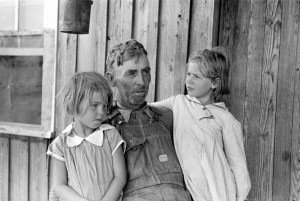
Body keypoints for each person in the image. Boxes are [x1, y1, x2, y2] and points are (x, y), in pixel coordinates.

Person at [150, 47, 251, 201]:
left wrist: (241, 196)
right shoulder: (178, 102)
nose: (189, 80)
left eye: (197, 76)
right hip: (188, 187)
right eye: (188, 74)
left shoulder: (226, 119)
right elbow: (147, 108)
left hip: (219, 189)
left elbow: (238, 166)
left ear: (214, 83)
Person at [105, 39, 192, 201]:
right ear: (111, 80)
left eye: (146, 71)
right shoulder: (105, 127)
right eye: (131, 73)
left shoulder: (167, 118)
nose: (142, 81)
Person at [47, 72, 126, 201]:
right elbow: (59, 185)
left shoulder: (110, 136)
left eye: (105, 106)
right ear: (74, 105)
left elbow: (120, 177)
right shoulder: (61, 144)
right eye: (94, 105)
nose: (102, 112)